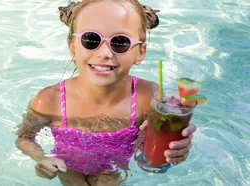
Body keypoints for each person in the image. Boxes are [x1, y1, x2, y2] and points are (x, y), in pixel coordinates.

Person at [15, 0, 196, 185]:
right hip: (66, 164)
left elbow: (147, 161)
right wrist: (42, 158)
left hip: (113, 168)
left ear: (140, 52)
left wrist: (169, 149)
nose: (105, 53)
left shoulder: (148, 98)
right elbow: (24, 137)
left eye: (120, 42)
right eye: (91, 40)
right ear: (72, 48)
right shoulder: (48, 100)